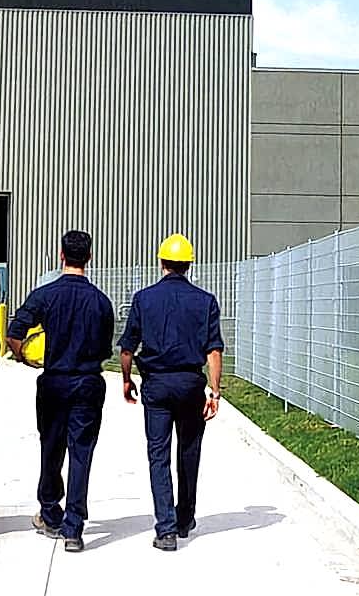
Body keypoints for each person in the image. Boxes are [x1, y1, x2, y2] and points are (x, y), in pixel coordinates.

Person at [7, 231, 114, 553]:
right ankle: (74, 529)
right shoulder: (100, 301)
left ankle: (50, 513)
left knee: (51, 448)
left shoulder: (45, 295)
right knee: (81, 453)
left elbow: (14, 332)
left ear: (61, 254)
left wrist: (27, 356)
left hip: (54, 381)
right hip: (88, 382)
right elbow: (105, 348)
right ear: (90, 257)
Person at [117, 234, 224, 552]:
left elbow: (126, 349)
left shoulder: (143, 299)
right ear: (189, 264)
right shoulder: (206, 301)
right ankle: (184, 519)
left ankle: (165, 530)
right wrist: (215, 392)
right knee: (189, 452)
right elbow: (214, 351)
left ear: (161, 262)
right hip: (191, 385)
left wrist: (126, 379)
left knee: (158, 455)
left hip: (157, 385)